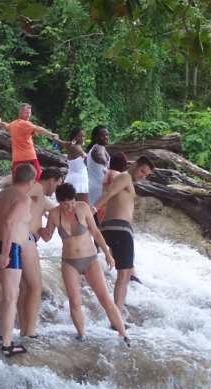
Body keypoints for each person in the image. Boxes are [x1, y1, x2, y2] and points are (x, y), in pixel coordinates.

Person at [41, 183, 130, 345]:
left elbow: (95, 232)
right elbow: (47, 238)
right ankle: (82, 335)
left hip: (90, 259)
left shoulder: (82, 208)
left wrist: (108, 254)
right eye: (65, 204)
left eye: (71, 203)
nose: (69, 207)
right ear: (58, 201)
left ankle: (124, 335)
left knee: (105, 298)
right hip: (69, 261)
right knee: (75, 301)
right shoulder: (54, 214)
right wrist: (41, 230)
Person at [91, 156, 154, 315]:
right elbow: (109, 192)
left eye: (146, 175)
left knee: (123, 272)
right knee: (124, 274)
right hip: (119, 228)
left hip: (111, 227)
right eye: (142, 171)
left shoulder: (126, 180)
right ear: (135, 165)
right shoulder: (125, 176)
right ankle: (116, 318)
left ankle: (115, 315)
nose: (142, 176)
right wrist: (91, 210)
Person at [0, 163, 36, 357]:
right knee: (10, 296)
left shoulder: (2, 194)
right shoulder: (23, 199)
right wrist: (6, 252)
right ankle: (7, 344)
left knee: (8, 295)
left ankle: (3, 335)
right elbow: (8, 223)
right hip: (8, 249)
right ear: (31, 181)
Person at [18, 167, 63, 339]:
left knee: (24, 288)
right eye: (58, 185)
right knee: (36, 287)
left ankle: (24, 330)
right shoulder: (36, 187)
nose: (56, 190)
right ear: (51, 181)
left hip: (25, 238)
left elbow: (56, 210)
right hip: (26, 239)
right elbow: (18, 195)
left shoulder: (42, 198)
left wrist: (44, 228)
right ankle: (30, 332)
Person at [0, 103, 59, 182]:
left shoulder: (14, 124)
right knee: (39, 181)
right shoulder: (25, 123)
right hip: (29, 158)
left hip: (17, 159)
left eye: (29, 113)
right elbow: (38, 129)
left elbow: (6, 125)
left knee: (17, 183)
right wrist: (51, 134)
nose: (28, 115)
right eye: (26, 113)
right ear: (20, 113)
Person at [55, 126, 89, 204]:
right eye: (79, 136)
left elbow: (59, 142)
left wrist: (55, 138)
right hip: (81, 181)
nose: (82, 138)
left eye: (83, 136)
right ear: (74, 137)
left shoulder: (68, 144)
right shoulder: (76, 147)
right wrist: (84, 155)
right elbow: (81, 152)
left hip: (70, 179)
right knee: (84, 206)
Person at [86, 125, 111, 213]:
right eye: (102, 135)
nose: (106, 137)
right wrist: (106, 164)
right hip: (99, 189)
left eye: (107, 135)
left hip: (93, 187)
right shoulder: (99, 148)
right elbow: (100, 155)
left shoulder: (92, 149)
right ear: (95, 137)